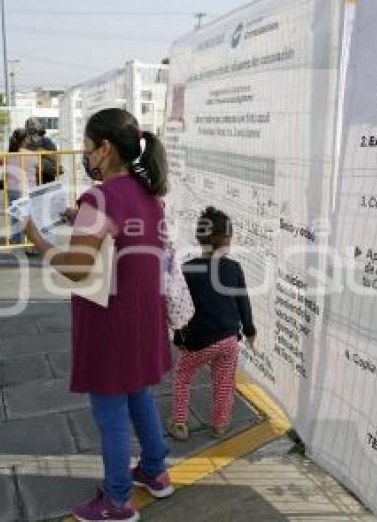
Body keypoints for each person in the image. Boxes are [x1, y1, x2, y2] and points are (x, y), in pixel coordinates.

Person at [23, 108, 173, 521]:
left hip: (111, 318)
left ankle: (117, 500)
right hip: (144, 315)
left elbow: (76, 267)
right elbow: (119, 233)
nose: (86, 156)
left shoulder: (100, 196)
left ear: (105, 149)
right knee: (138, 392)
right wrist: (78, 218)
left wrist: (35, 236)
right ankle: (156, 472)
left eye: (88, 148)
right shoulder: (147, 192)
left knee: (110, 410)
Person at [168, 207, 257, 441]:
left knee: (183, 374)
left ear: (199, 237)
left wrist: (179, 337)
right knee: (223, 382)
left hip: (199, 341)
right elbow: (243, 304)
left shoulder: (188, 269)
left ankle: (179, 423)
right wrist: (250, 331)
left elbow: (180, 307)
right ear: (227, 240)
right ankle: (219, 425)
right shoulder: (234, 268)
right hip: (229, 338)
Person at [5, 129, 37, 244]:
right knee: (29, 215)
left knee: (15, 215)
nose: (29, 140)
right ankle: (31, 239)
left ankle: (16, 238)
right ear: (24, 140)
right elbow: (39, 168)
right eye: (28, 138)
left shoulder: (8, 155)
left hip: (13, 188)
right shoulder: (32, 155)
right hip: (29, 188)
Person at [25, 116, 60, 184]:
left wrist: (43, 152)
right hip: (31, 179)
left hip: (47, 178)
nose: (31, 127)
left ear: (39, 126)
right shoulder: (25, 143)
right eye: (29, 125)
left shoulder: (47, 141)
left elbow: (56, 158)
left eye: (33, 124)